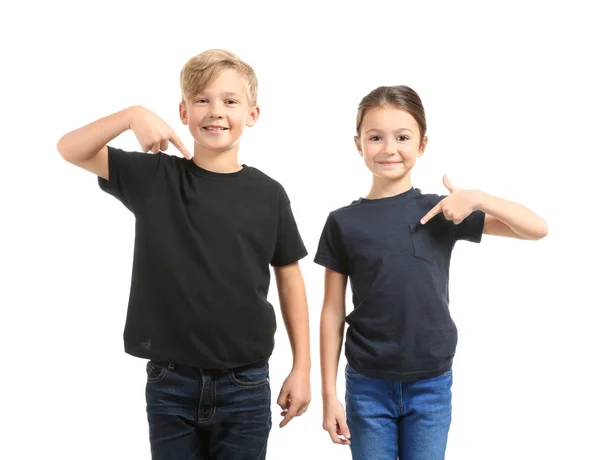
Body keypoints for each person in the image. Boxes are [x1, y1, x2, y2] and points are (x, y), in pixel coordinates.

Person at [57, 49, 311, 460]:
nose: (216, 111)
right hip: (170, 382)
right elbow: (71, 148)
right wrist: (131, 114)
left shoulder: (269, 194)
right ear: (183, 111)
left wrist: (302, 367)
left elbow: (290, 277)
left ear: (252, 114)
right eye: (202, 100)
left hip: (246, 384)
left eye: (230, 101)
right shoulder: (155, 176)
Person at [316, 85, 548, 459]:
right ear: (358, 144)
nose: (389, 148)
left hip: (431, 385)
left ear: (422, 144)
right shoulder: (343, 222)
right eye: (375, 137)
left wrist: (479, 197)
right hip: (367, 385)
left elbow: (536, 229)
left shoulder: (443, 211)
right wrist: (329, 395)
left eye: (402, 137)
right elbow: (331, 311)